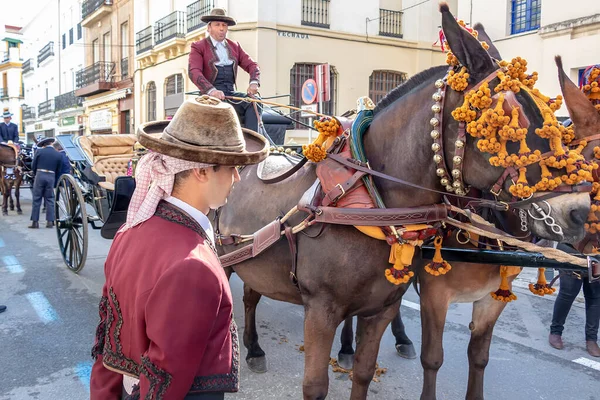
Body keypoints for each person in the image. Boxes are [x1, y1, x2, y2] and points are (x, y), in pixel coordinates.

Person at [89, 96, 269, 399]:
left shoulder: (128, 232)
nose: (237, 177)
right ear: (201, 171)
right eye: (232, 167)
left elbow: (109, 343)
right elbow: (165, 382)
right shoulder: (193, 264)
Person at [188, 8, 262, 133]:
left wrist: (254, 82)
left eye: (224, 25)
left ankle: (251, 140)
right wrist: (212, 90)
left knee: (254, 102)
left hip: (230, 95)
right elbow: (194, 72)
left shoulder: (235, 46)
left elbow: (252, 65)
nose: (221, 28)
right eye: (217, 25)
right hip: (209, 97)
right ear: (209, 28)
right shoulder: (198, 46)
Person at [549, 239, 600, 357]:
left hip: (596, 254)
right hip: (572, 249)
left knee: (595, 296)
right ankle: (555, 331)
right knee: (568, 293)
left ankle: (591, 339)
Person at [29, 137, 62, 229]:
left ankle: (35, 222)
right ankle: (50, 222)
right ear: (51, 143)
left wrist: (35, 174)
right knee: (50, 199)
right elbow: (59, 169)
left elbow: (33, 165)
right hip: (51, 176)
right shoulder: (58, 154)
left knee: (37, 199)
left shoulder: (39, 152)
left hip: (40, 174)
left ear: (43, 145)